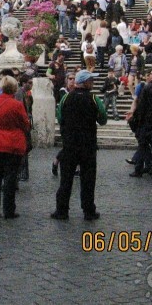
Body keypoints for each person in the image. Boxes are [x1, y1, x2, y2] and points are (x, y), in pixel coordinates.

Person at [51, 69, 107, 221]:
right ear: (85, 82)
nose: (93, 83)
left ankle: (61, 210)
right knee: (88, 180)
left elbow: (60, 117)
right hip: (88, 145)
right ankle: (89, 211)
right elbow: (103, 119)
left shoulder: (66, 98)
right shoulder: (94, 98)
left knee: (66, 179)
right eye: (91, 80)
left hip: (69, 145)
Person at [0, 76, 30, 219]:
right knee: (10, 179)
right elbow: (25, 124)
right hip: (12, 144)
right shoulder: (16, 105)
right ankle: (8, 210)